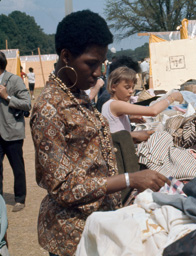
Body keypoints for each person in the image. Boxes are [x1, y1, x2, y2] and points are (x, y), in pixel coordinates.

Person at [30, 10, 170, 256]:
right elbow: (64, 188)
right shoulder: (49, 108)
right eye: (91, 63)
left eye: (102, 64)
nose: (98, 73)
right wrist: (130, 180)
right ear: (66, 56)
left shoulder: (78, 95)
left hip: (98, 223)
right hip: (72, 234)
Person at [102, 66, 183, 142]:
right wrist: (171, 97)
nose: (131, 91)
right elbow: (153, 111)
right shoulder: (115, 104)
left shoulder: (109, 104)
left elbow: (114, 124)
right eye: (127, 87)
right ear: (113, 87)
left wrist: (129, 120)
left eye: (132, 88)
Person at [0, 51, 31, 213]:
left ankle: (20, 199)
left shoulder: (14, 80)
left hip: (12, 132)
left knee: (17, 167)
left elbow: (27, 104)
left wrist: (7, 97)